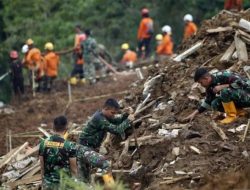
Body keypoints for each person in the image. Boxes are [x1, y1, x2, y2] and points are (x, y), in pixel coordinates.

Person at [183, 68, 250, 124]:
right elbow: (208, 101)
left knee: (225, 91)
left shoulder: (223, 75)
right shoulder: (209, 86)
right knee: (214, 103)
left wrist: (224, 86)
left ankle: (231, 116)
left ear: (206, 78)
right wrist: (194, 113)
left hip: (247, 94)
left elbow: (242, 83)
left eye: (201, 82)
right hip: (241, 98)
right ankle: (240, 113)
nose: (201, 85)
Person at [39, 115, 78, 189]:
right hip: (64, 185)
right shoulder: (69, 145)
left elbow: (42, 166)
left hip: (48, 185)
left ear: (53, 127)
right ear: (66, 127)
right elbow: (74, 170)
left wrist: (43, 183)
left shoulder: (43, 143)